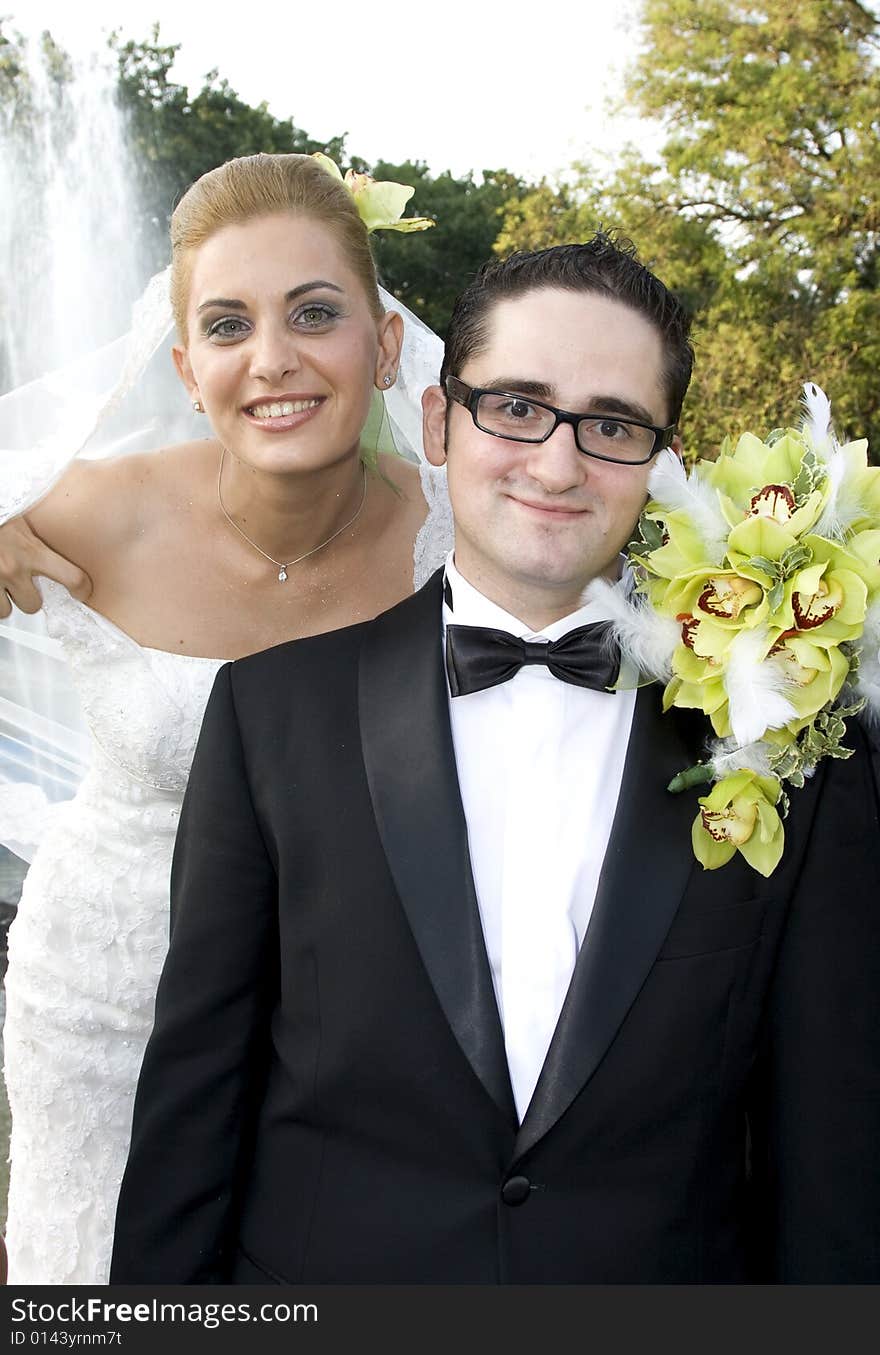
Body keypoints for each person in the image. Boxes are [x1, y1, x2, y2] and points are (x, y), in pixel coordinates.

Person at [110, 236, 880, 1284]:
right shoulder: (269, 712)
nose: (557, 463)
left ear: (663, 462)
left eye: (610, 423)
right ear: (438, 420)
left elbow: (829, 1136)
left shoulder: (783, 734)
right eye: (515, 405)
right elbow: (195, 1100)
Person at [0, 151, 452, 1285]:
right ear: (185, 366)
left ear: (384, 342)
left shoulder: (454, 537)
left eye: (314, 313)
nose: (273, 359)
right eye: (227, 324)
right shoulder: (103, 511)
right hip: (105, 1003)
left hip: (336, 1023)